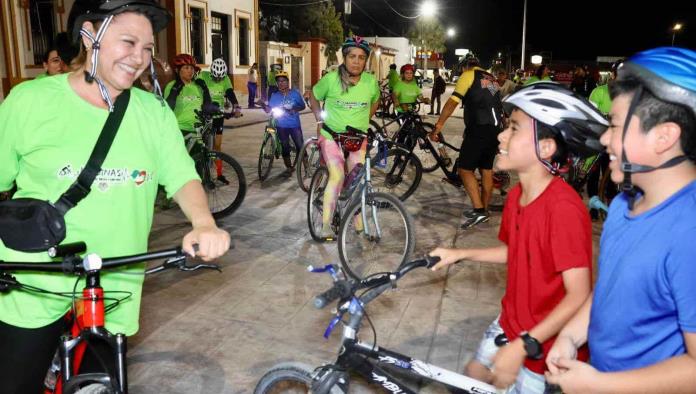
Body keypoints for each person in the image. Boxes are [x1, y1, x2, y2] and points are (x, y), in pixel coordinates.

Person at [0, 1, 230, 392]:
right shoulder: (30, 101)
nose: (139, 58)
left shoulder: (152, 111)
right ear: (90, 35)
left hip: (115, 282)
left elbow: (182, 176)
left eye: (146, 48)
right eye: (128, 42)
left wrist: (204, 223)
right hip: (34, 276)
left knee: (101, 386)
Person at [430, 82, 607, 393]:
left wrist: (523, 346)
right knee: (471, 378)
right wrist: (460, 254)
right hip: (510, 322)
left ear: (547, 147)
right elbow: (516, 252)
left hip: (545, 348)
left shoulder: (564, 209)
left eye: (513, 128)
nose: (501, 135)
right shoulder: (516, 196)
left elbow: (578, 295)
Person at [545, 47, 696, 394]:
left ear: (664, 136)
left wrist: (601, 385)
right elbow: (610, 291)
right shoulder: (623, 205)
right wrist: (570, 335)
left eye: (614, 125)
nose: (603, 138)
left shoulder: (689, 233)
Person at [308, 36, 380, 240]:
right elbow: (313, 95)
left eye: (361, 57)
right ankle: (326, 226)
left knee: (357, 183)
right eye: (352, 56)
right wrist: (318, 120)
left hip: (357, 138)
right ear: (344, 58)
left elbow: (376, 100)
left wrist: (365, 118)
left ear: (366, 61)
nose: (356, 61)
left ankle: (358, 225)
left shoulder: (370, 82)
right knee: (338, 175)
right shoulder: (331, 79)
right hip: (331, 136)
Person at [430, 53, 504, 228]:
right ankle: (484, 210)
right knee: (486, 169)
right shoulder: (491, 78)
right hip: (494, 129)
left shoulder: (468, 75)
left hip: (479, 128)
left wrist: (438, 125)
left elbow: (452, 102)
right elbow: (493, 103)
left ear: (465, 66)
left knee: (464, 169)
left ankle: (478, 211)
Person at [585, 59, 621, 220]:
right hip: (597, 141)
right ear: (613, 74)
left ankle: (610, 206)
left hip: (617, 144)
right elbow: (590, 116)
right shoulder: (599, 92)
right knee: (593, 175)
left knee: (613, 175)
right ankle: (594, 206)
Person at [198, 58, 242, 183]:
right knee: (201, 145)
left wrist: (236, 106)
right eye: (216, 77)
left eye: (220, 78)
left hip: (218, 115)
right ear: (211, 72)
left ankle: (219, 174)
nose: (218, 80)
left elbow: (229, 92)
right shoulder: (204, 75)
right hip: (205, 113)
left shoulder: (226, 79)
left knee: (217, 146)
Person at [164, 54, 215, 158]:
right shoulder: (171, 86)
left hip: (197, 132)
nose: (190, 71)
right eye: (186, 68)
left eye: (192, 68)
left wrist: (205, 90)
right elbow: (167, 108)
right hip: (179, 131)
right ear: (178, 70)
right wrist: (175, 91)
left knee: (200, 166)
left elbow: (207, 107)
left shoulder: (198, 86)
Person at [266, 70, 306, 172]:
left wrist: (294, 109)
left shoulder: (295, 94)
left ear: (288, 82)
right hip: (281, 125)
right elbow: (269, 109)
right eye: (279, 81)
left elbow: (302, 106)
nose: (281, 83)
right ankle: (289, 167)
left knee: (300, 145)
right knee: (284, 146)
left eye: (283, 81)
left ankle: (307, 167)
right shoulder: (275, 96)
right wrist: (262, 104)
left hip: (294, 125)